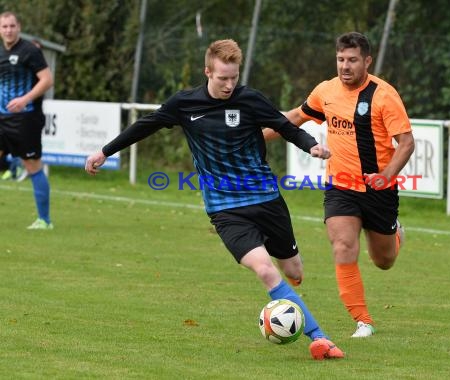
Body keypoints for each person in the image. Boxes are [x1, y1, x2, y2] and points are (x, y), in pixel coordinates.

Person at [85, 39, 344, 360]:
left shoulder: (249, 99)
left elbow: (283, 126)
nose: (228, 84)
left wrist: (311, 146)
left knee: (294, 272)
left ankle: (290, 294)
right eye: (222, 78)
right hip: (225, 209)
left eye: (233, 77)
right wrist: (104, 151)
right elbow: (145, 126)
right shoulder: (185, 104)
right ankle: (319, 338)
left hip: (267, 200)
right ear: (208, 71)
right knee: (265, 271)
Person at [265, 32, 415, 338]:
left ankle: (394, 234)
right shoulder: (326, 91)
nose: (345, 66)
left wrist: (387, 175)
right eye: (340, 59)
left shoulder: (384, 95)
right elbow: (294, 117)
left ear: (367, 61)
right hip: (340, 185)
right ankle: (363, 320)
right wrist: (251, 136)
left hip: (378, 189)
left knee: (383, 260)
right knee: (343, 245)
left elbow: (407, 143)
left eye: (352, 60)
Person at [0, 11, 53, 228]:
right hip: (2, 118)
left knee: (32, 165)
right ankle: (11, 166)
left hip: (26, 118)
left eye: (12, 26)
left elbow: (47, 80)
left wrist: (25, 99)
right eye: (4, 27)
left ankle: (44, 220)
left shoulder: (30, 51)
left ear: (19, 27)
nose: (8, 30)